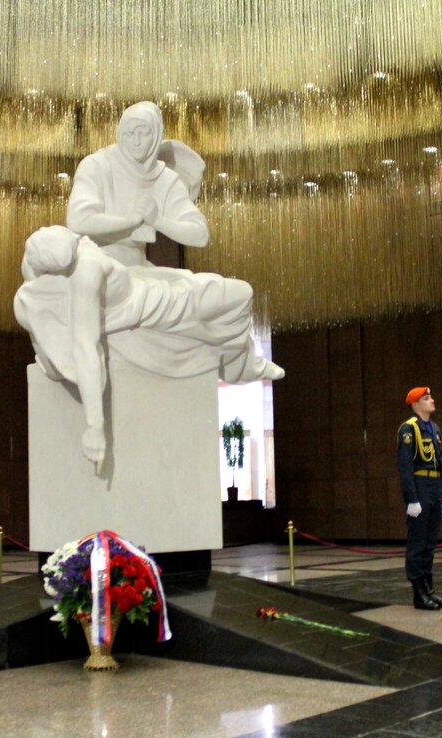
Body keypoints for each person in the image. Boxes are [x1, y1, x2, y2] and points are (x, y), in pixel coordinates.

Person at [15, 101, 282, 470]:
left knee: (239, 294)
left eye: (145, 133)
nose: (137, 141)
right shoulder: (97, 168)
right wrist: (129, 219)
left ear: (156, 136)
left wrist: (158, 218)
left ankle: (241, 362)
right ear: (119, 132)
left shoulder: (164, 177)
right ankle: (237, 361)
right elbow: (79, 217)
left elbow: (199, 233)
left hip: (144, 272)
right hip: (115, 271)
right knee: (210, 298)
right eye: (130, 132)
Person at [396, 387, 442, 610]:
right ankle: (418, 593)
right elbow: (405, 465)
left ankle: (429, 589)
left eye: (430, 397)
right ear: (415, 404)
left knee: (430, 544)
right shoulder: (409, 429)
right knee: (418, 543)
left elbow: (439, 464)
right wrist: (411, 498)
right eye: (426, 398)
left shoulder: (434, 428)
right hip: (419, 487)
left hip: (434, 487)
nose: (432, 400)